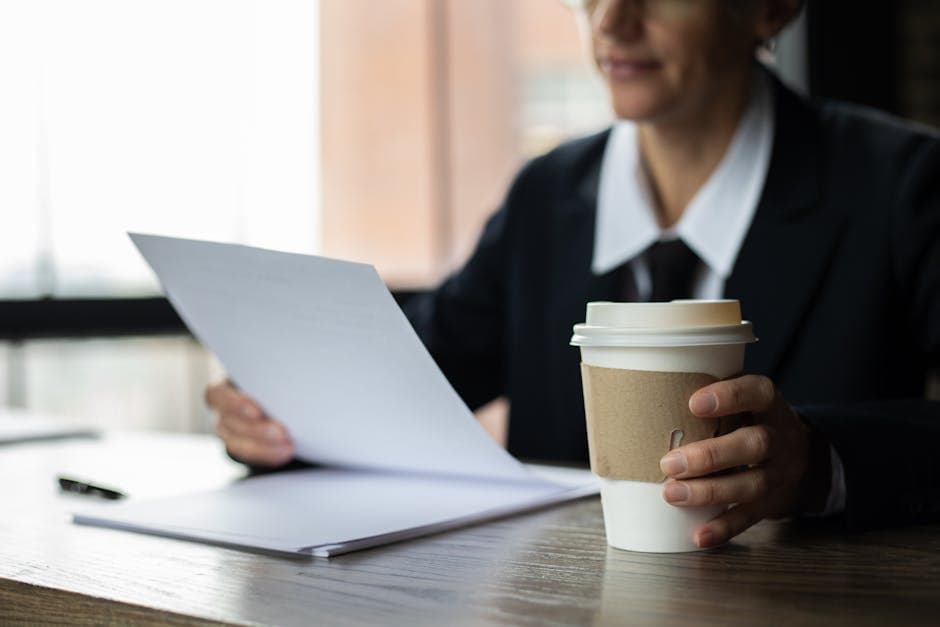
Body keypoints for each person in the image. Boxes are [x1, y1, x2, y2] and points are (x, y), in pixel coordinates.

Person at [206, 0, 940, 548]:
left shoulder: (901, 186)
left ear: (770, 8)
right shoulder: (544, 197)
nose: (610, 21)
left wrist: (819, 465)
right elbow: (414, 371)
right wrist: (278, 406)